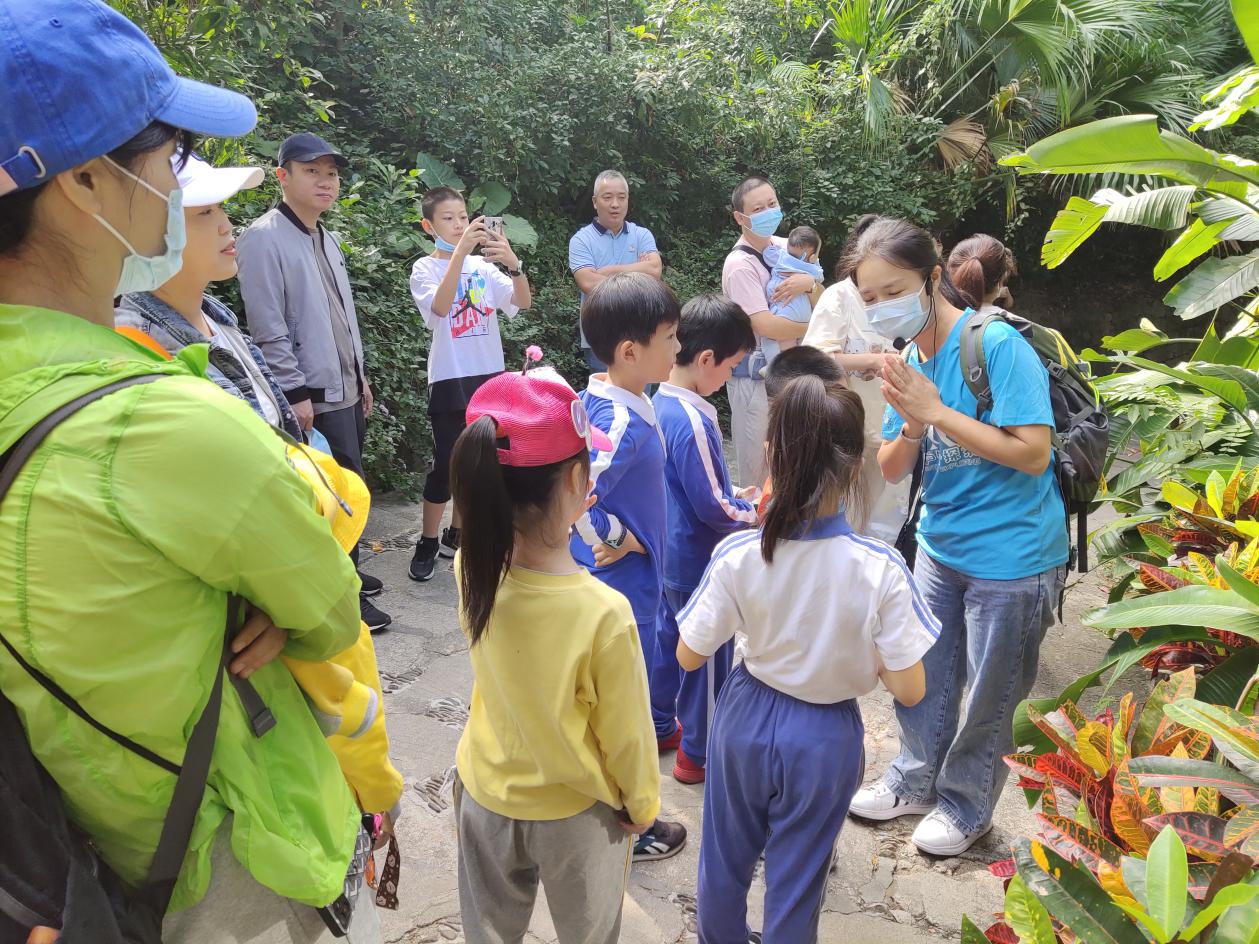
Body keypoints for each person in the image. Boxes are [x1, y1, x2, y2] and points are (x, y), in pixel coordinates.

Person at [0, 2, 380, 941]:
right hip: (226, 860)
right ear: (84, 181)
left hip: (78, 837)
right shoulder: (165, 424)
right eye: (172, 156)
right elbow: (327, 609)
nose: (180, 182)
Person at [677, 375, 936, 944]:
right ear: (854, 469)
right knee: (798, 881)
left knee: (723, 860)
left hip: (744, 717)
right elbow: (911, 690)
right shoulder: (881, 568)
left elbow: (689, 654)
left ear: (773, 455)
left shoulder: (739, 552)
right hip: (825, 735)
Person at [844, 218, 1068, 857]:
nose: (882, 306)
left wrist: (937, 410)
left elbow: (1033, 453)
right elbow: (891, 467)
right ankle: (914, 781)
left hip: (1013, 554)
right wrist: (915, 423)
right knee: (925, 677)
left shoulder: (996, 345)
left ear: (932, 278)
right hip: (940, 546)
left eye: (894, 291)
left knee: (991, 697)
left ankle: (967, 807)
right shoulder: (910, 360)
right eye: (869, 297)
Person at [450, 363, 660, 943]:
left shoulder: (471, 569)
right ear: (575, 481)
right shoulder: (603, 613)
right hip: (575, 814)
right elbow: (627, 735)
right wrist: (642, 805)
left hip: (484, 793)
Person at [236, 130, 391, 633]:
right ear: (282, 176)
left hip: (346, 386)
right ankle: (344, 596)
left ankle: (350, 572)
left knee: (349, 484)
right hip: (312, 394)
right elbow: (268, 326)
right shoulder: (262, 238)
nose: (326, 182)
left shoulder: (325, 235)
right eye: (312, 172)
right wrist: (295, 393)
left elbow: (342, 317)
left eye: (331, 174)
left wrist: (361, 377)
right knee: (331, 495)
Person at [569, 272, 688, 862]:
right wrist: (617, 538)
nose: (678, 348)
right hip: (620, 588)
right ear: (630, 351)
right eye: (670, 338)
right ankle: (632, 826)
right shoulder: (615, 422)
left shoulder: (624, 399)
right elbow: (574, 498)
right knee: (621, 709)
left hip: (630, 586)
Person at [116, 153, 300, 439]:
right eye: (204, 212)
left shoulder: (217, 319)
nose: (226, 225)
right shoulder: (136, 348)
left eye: (219, 208)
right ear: (147, 232)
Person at [650, 295, 758, 785]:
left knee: (669, 642)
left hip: (669, 556)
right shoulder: (693, 418)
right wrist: (754, 511)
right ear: (707, 359)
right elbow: (713, 507)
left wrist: (732, 495)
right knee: (708, 656)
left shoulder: (660, 401)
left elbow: (690, 485)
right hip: (698, 561)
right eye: (732, 368)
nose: (730, 377)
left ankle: (659, 725)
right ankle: (699, 752)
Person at [407, 186, 532, 582]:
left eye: (463, 217)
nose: (459, 224)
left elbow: (522, 302)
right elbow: (440, 307)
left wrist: (513, 264)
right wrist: (459, 254)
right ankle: (428, 540)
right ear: (428, 226)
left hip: (489, 377)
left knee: (479, 462)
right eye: (448, 219)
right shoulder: (424, 269)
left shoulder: (485, 268)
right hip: (449, 376)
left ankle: (456, 534)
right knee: (446, 464)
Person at [804, 215, 912, 543]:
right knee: (851, 517)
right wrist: (872, 361)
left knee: (890, 519)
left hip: (897, 427)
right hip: (854, 432)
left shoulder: (904, 297)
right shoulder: (840, 297)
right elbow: (815, 358)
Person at [721, 176, 820, 488]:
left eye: (772, 204)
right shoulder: (740, 265)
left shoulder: (788, 246)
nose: (768, 212)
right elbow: (764, 325)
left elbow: (824, 298)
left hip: (794, 373)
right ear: (740, 218)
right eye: (758, 208)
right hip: (756, 381)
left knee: (795, 465)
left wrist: (810, 284)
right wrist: (813, 328)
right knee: (760, 471)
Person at [569, 170, 663, 372]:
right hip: (601, 335)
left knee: (641, 390)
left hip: (641, 332)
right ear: (595, 201)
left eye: (621, 197)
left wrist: (610, 270)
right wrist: (639, 271)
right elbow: (588, 283)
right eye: (607, 197)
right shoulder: (581, 240)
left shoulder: (642, 235)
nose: (615, 204)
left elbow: (655, 270)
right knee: (607, 390)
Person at [759, 225, 824, 364]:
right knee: (800, 346)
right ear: (812, 257)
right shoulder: (812, 269)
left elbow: (767, 254)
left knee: (785, 343)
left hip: (783, 308)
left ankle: (778, 365)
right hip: (799, 311)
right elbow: (820, 280)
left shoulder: (780, 256)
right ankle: (785, 366)